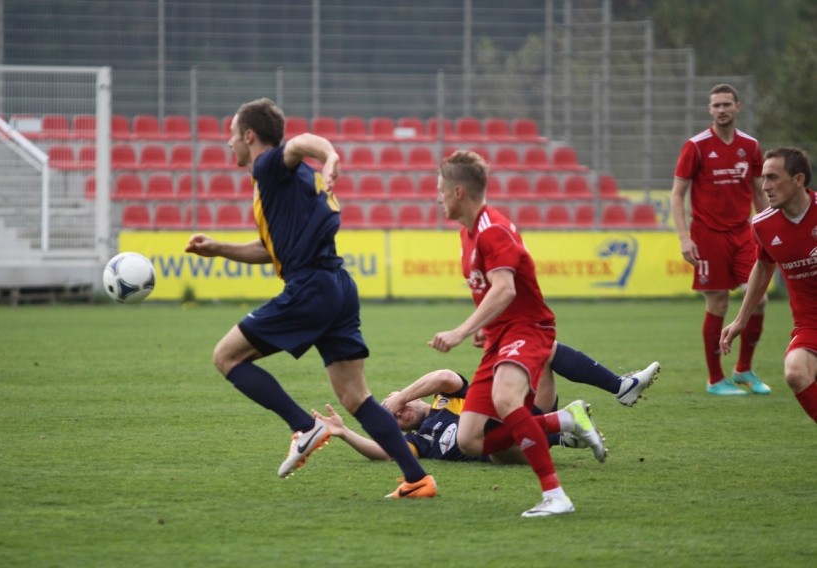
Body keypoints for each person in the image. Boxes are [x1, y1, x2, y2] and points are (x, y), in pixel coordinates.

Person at [184, 98, 436, 498]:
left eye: (231, 134)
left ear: (249, 136)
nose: (228, 141)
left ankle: (303, 425)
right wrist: (218, 248)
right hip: (337, 286)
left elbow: (300, 142)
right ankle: (417, 479)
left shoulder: (269, 165)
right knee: (356, 396)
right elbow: (271, 250)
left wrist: (331, 155)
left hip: (310, 287)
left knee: (225, 357)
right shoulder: (291, 182)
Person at [416, 149, 603, 518]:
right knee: (470, 440)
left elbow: (506, 289)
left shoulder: (493, 230)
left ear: (458, 192)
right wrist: (487, 327)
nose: (436, 197)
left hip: (529, 328)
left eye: (440, 189)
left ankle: (555, 495)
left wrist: (462, 330)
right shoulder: (467, 233)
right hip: (501, 334)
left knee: (506, 400)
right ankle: (564, 420)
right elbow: (491, 291)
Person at [314, 346, 660, 464]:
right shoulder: (422, 442)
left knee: (544, 348)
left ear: (413, 397)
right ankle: (560, 429)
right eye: (398, 421)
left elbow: (445, 374)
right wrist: (344, 433)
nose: (400, 416)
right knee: (485, 436)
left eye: (398, 407)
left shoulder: (442, 399)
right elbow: (385, 452)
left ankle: (620, 387)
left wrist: (399, 396)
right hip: (507, 451)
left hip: (520, 417)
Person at [671, 83, 772, 396]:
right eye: (716, 105)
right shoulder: (696, 146)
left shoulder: (751, 146)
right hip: (708, 234)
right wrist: (684, 238)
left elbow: (758, 190)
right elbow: (677, 193)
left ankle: (743, 370)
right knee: (718, 302)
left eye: (727, 104)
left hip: (743, 232)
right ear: (709, 110)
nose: (722, 110)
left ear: (737, 107)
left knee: (760, 299)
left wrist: (770, 229)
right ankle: (715, 379)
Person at [721, 147, 817, 423]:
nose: (765, 187)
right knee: (796, 372)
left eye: (773, 178)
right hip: (810, 325)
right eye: (763, 178)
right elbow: (763, 267)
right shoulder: (762, 225)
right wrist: (740, 320)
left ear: (798, 179)